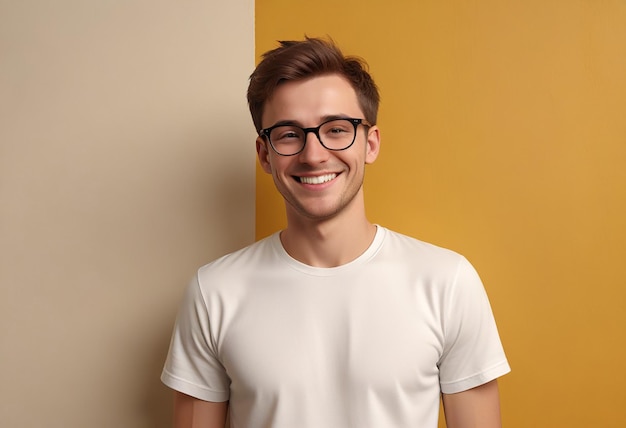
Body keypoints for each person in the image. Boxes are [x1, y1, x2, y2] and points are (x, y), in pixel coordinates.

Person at [161, 37, 510, 428]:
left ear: (370, 143)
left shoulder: (447, 282)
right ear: (264, 155)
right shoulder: (213, 292)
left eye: (337, 129)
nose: (314, 155)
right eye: (290, 134)